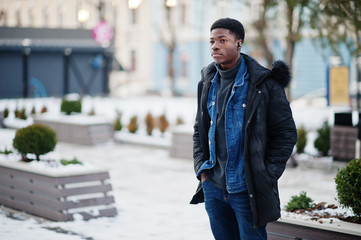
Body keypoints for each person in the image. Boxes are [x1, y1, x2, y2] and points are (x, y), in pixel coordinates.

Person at [190, 18, 297, 239]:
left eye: (222, 40)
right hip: (213, 186)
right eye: (211, 41)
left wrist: (266, 175)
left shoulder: (264, 84)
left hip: (247, 190)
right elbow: (199, 129)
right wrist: (202, 170)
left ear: (239, 43)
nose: (215, 46)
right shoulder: (207, 82)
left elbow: (286, 133)